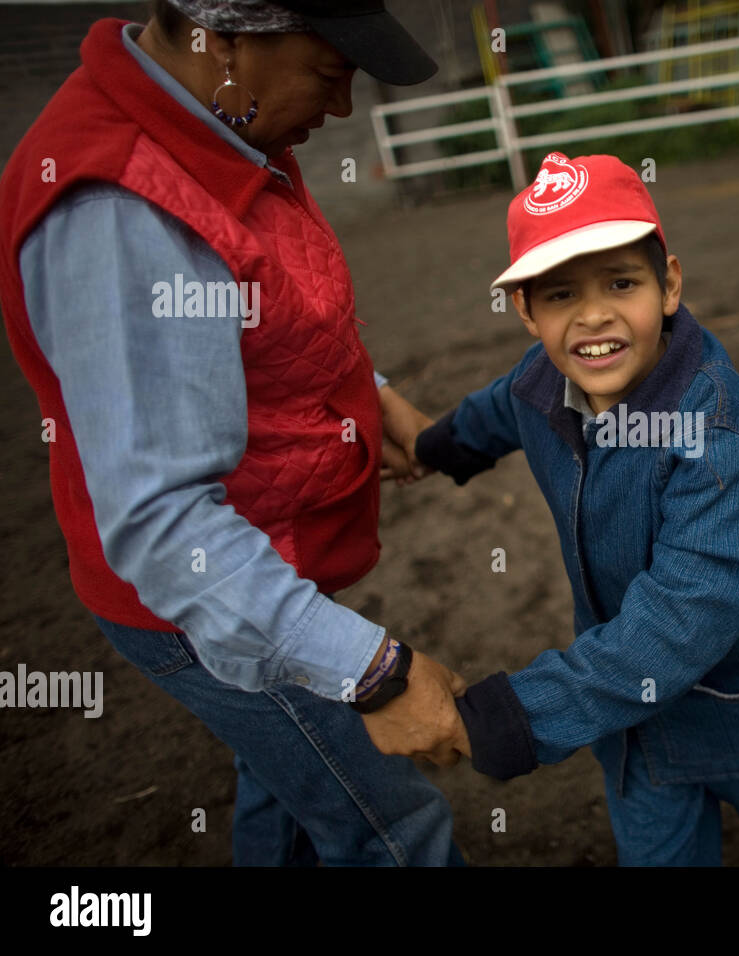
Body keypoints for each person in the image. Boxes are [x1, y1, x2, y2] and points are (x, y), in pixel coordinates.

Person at [0, 0, 469, 865]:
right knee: (395, 823)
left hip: (266, 559)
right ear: (225, 39)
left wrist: (371, 395)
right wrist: (376, 673)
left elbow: (259, 318)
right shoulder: (123, 208)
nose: (341, 111)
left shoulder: (221, 134)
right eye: (330, 75)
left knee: (289, 796)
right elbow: (164, 520)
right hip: (205, 598)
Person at [414, 152, 739, 866]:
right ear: (525, 311)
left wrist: (514, 718)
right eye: (558, 296)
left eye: (621, 281)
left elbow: (680, 619)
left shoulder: (714, 431)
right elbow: (500, 408)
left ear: (669, 284)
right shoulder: (541, 381)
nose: (593, 315)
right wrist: (438, 446)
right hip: (630, 724)